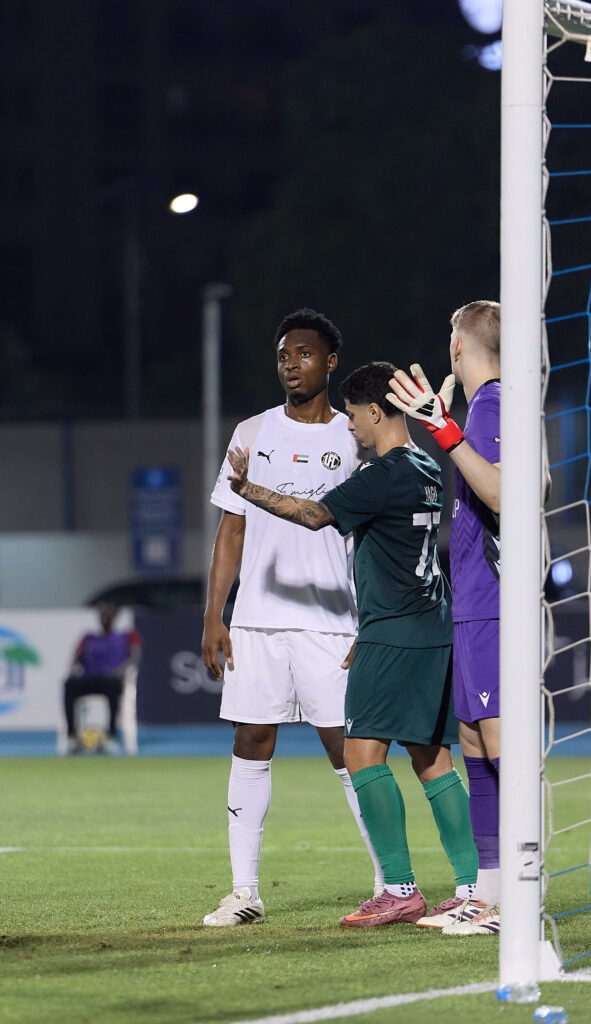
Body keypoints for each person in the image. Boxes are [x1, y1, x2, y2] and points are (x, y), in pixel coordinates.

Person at [226, 361, 478, 928]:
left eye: (355, 417)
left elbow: (314, 514)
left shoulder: (382, 474)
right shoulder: (427, 466)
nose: (351, 427)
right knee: (433, 760)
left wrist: (247, 489)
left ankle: (399, 888)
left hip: (391, 632)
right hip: (433, 626)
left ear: (375, 412)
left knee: (361, 754)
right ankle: (469, 886)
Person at [201, 308, 383, 928]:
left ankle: (389, 883)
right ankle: (244, 892)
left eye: (304, 354)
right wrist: (215, 615)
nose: (291, 364)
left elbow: (375, 535)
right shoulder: (253, 431)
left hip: (331, 621)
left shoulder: (354, 438)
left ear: (330, 363)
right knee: (250, 742)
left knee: (349, 750)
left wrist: (371, 617)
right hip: (257, 620)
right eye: (283, 355)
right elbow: (231, 528)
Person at [387, 299, 502, 936]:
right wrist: (446, 424)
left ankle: (516, 893)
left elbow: (505, 492)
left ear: (458, 347)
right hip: (474, 604)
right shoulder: (482, 406)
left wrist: (444, 428)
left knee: (501, 750)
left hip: (494, 604)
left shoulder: (495, 403)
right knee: (475, 745)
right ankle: (487, 895)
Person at [63, 603, 142, 755]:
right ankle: (72, 736)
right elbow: (76, 658)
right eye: (102, 614)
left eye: (108, 614)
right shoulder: (88, 637)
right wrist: (73, 669)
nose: (105, 617)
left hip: (113, 680)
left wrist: (120, 671)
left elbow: (134, 657)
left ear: (114, 617)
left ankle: (111, 735)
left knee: (111, 686)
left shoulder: (127, 636)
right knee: (69, 684)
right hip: (91, 679)